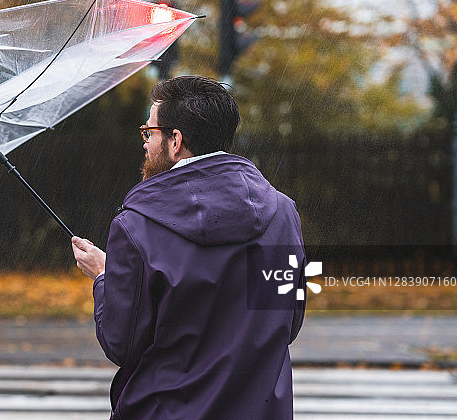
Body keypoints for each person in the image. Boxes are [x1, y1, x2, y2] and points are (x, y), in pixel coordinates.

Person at [72, 75, 306, 420]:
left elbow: (122, 344)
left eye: (148, 133)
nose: (145, 143)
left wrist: (105, 277)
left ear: (175, 140)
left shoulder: (138, 226)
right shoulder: (282, 214)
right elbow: (284, 322)